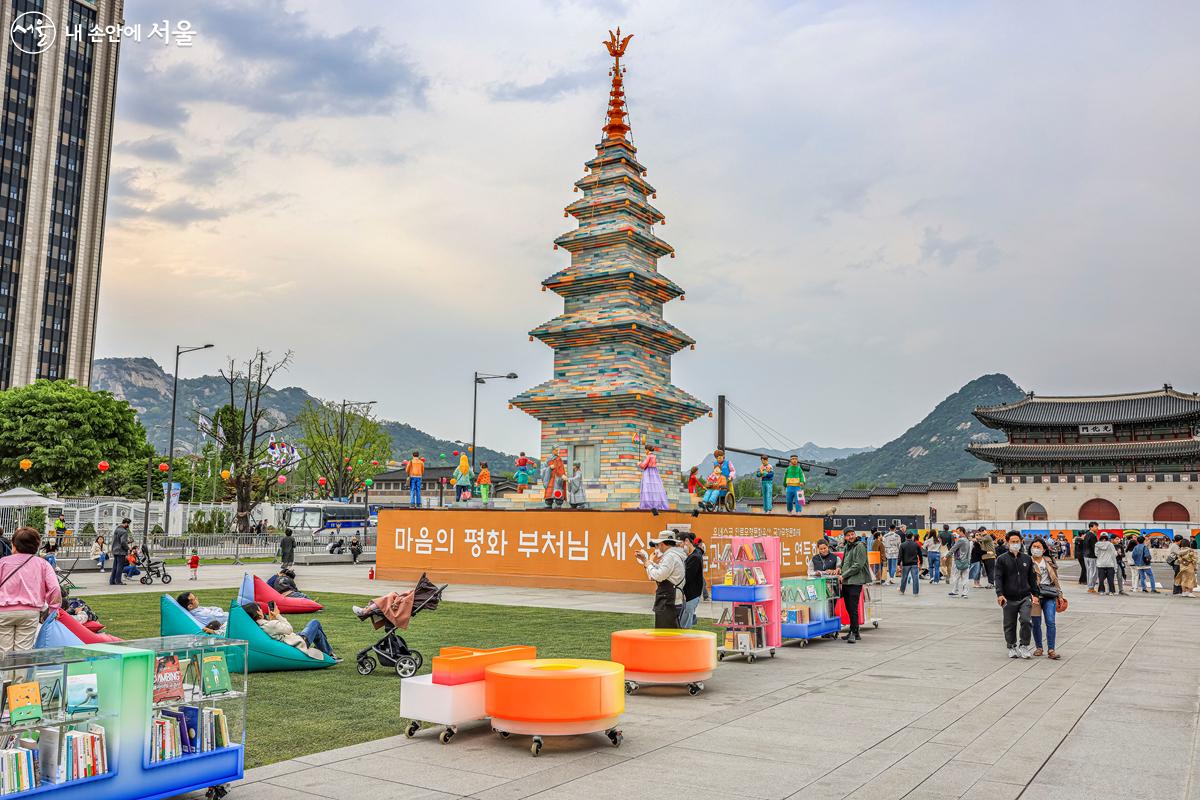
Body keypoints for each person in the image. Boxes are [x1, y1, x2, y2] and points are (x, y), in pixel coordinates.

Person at [0, 528, 61, 655]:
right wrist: (53, 609)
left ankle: (5, 675)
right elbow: (54, 588)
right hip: (30, 611)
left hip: (3, 611)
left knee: (3, 652)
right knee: (23, 652)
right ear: (37, 545)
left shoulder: (3, 563)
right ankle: (20, 675)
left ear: (14, 545)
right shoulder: (42, 564)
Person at [243, 602, 339, 662]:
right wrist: (278, 615)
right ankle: (328, 652)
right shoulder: (269, 625)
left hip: (289, 639)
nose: (262, 610)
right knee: (315, 623)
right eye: (259, 609)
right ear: (258, 612)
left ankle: (328, 652)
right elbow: (289, 629)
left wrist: (272, 620)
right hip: (296, 642)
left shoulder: (258, 625)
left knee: (317, 632)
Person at [994, 530, 1038, 658]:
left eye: (1017, 542)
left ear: (1021, 542)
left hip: (1025, 597)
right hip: (1008, 598)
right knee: (1009, 624)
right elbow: (998, 578)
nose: (1015, 544)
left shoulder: (1026, 559)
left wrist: (1035, 594)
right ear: (1007, 543)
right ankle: (1011, 646)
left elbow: (1032, 578)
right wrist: (999, 594)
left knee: (1026, 620)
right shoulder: (1002, 559)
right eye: (1012, 542)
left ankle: (1024, 645)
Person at [636, 531, 686, 628]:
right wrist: (647, 562)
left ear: (662, 544)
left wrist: (647, 563)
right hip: (671, 600)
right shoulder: (674, 555)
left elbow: (658, 575)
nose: (657, 547)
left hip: (668, 602)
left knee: (666, 635)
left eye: (658, 544)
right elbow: (662, 571)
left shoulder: (670, 556)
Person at [1028, 538, 1063, 659]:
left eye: (1038, 547)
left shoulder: (1048, 561)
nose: (1036, 549)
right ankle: (1039, 647)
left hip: (1049, 594)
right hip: (1034, 596)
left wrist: (1060, 595)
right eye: (1034, 546)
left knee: (1051, 622)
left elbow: (1055, 579)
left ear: (1044, 549)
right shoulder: (1027, 561)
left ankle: (1051, 649)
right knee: (1036, 623)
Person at [838, 529, 869, 643]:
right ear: (845, 537)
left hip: (855, 581)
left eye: (852, 534)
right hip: (846, 581)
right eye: (848, 535)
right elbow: (844, 562)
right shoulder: (847, 547)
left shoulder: (860, 546)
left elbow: (858, 565)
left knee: (853, 608)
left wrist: (844, 575)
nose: (851, 537)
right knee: (849, 608)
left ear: (855, 535)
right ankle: (855, 632)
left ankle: (853, 632)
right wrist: (839, 570)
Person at [676, 532, 705, 628]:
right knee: (685, 621)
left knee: (686, 625)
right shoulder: (693, 554)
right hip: (690, 594)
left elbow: (687, 577)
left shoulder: (694, 557)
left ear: (687, 541)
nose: (679, 546)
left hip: (692, 595)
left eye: (680, 544)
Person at [638, 445, 669, 512]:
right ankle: (655, 503)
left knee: (647, 488)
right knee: (654, 488)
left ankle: (647, 504)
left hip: (648, 473)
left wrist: (639, 463)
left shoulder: (648, 456)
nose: (645, 451)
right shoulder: (654, 456)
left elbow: (643, 465)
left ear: (648, 450)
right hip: (654, 473)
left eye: (645, 450)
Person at [949, 527, 972, 598]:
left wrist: (946, 556)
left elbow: (953, 548)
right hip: (966, 561)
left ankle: (955, 591)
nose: (957, 533)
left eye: (958, 531)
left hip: (959, 561)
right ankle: (964, 593)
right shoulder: (968, 540)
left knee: (956, 577)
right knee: (965, 578)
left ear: (962, 531)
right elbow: (969, 552)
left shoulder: (961, 540)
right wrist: (968, 561)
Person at [109, 518, 132, 586]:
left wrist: (127, 541)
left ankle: (112, 581)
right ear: (126, 523)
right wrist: (128, 548)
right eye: (128, 524)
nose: (128, 525)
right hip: (121, 551)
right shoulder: (124, 531)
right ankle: (118, 581)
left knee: (115, 566)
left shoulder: (117, 529)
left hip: (115, 550)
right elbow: (122, 542)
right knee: (120, 567)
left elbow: (118, 541)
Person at [1082, 522, 1099, 592]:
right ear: (1091, 527)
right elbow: (1094, 547)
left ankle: (1090, 586)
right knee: (1094, 572)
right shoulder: (1093, 536)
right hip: (1092, 556)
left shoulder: (1086, 535)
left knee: (1089, 571)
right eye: (1096, 526)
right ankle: (1091, 587)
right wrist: (1097, 554)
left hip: (1086, 556)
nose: (1097, 528)